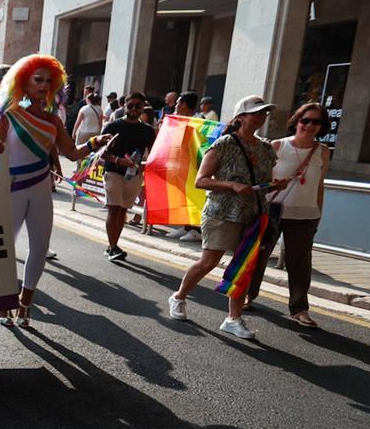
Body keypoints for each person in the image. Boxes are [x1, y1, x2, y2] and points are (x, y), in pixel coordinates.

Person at [167, 96, 285, 340]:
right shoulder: (224, 144)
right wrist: (231, 185)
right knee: (208, 262)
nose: (261, 117)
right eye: (256, 113)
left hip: (253, 215)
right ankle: (178, 297)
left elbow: (261, 183)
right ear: (241, 116)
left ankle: (233, 318)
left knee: (244, 267)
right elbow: (201, 180)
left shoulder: (265, 149)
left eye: (264, 113)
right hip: (221, 212)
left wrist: (275, 186)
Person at [0, 55, 95, 328]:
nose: (44, 85)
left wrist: (96, 143)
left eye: (49, 81)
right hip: (11, 188)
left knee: (40, 247)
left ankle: (25, 302)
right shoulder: (9, 115)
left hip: (40, 189)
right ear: (24, 81)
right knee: (5, 248)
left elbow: (72, 152)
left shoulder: (53, 121)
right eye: (38, 79)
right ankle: (4, 301)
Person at [250, 102, 332, 328]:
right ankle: (247, 296)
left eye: (316, 122)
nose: (310, 125)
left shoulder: (323, 151)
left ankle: (299, 309)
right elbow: (261, 182)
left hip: (306, 215)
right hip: (273, 210)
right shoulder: (277, 146)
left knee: (300, 264)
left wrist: (319, 213)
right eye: (305, 120)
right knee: (259, 257)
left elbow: (320, 184)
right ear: (296, 121)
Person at [96, 92, 154, 261]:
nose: (134, 109)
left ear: (143, 108)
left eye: (138, 106)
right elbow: (101, 153)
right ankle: (113, 247)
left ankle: (112, 245)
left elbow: (154, 153)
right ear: (124, 106)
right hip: (113, 173)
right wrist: (117, 160)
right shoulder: (113, 126)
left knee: (122, 211)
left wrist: (144, 166)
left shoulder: (148, 131)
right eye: (131, 105)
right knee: (114, 209)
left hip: (133, 176)